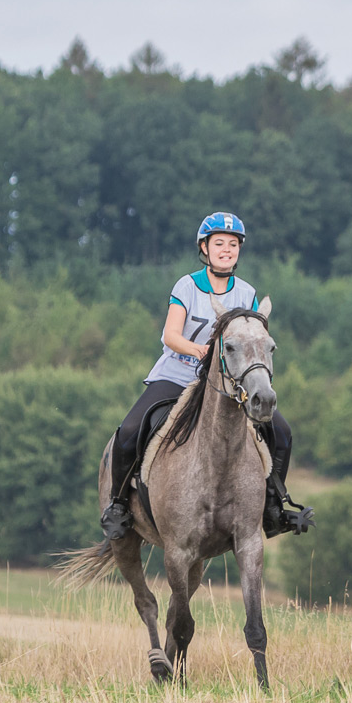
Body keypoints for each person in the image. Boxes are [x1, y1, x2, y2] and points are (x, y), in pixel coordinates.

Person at [99, 212, 299, 540]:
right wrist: (198, 351)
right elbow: (170, 336)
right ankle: (119, 505)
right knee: (131, 429)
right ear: (204, 248)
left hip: (228, 384)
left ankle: (273, 506)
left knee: (282, 432)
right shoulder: (187, 286)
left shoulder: (246, 293)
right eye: (219, 243)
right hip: (178, 374)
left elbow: (253, 341)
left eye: (233, 244)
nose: (226, 250)